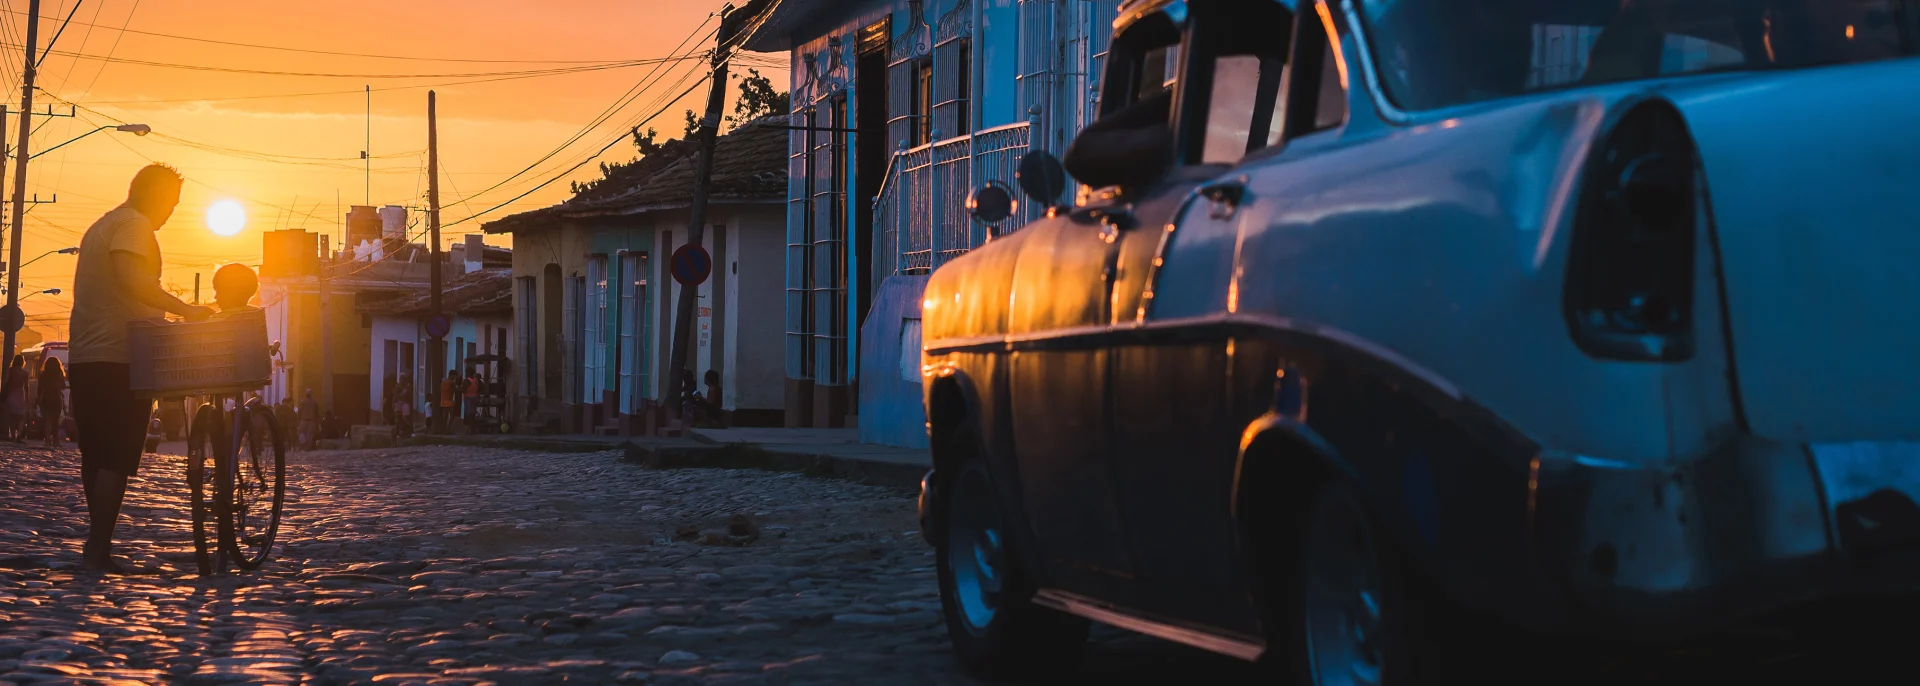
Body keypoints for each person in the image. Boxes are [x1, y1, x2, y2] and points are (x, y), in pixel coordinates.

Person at [70, 163, 216, 574]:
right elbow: (133, 281)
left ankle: (97, 545)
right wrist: (185, 310)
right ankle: (98, 549)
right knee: (115, 457)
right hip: (118, 357)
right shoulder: (134, 226)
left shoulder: (106, 224)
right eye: (170, 203)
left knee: (97, 456)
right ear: (152, 196)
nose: (171, 213)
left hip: (88, 355)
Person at [38, 357, 67, 449]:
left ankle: (47, 441)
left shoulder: (43, 375)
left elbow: (40, 387)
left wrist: (39, 399)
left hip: (46, 398)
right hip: (56, 399)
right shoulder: (59, 375)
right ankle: (56, 441)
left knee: (47, 421)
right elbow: (63, 386)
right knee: (56, 421)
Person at [1, 355, 28, 442]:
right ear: (22, 362)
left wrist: (3, 391)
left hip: (11, 394)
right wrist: (27, 399)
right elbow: (27, 387)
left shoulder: (10, 371)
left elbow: (5, 382)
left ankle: (13, 436)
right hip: (21, 395)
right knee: (20, 417)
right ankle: (19, 434)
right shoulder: (25, 373)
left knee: (12, 417)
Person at [393, 374, 414, 439]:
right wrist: (394, 403)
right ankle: (398, 432)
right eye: (401, 378)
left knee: (407, 417)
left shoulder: (407, 387)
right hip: (398, 403)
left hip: (406, 403)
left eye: (403, 378)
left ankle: (410, 430)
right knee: (398, 418)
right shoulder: (397, 386)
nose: (402, 380)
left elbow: (408, 395)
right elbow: (395, 395)